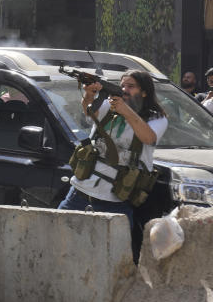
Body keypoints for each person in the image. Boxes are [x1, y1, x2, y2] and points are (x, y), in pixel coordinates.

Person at [58, 70, 167, 240]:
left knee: (114, 258)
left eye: (131, 86)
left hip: (116, 202)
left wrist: (126, 111)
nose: (124, 89)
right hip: (80, 193)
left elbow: (148, 137)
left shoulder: (157, 118)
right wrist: (89, 95)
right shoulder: (109, 106)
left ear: (144, 92)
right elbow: (89, 112)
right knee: (57, 240)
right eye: (122, 85)